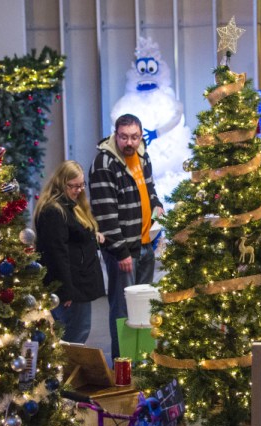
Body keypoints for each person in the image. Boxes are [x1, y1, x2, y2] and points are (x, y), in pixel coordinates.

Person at [89, 113, 164, 359]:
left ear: (141, 135)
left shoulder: (142, 155)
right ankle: (123, 364)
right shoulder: (104, 164)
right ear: (115, 135)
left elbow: (150, 189)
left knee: (145, 307)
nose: (129, 143)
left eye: (134, 137)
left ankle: (142, 357)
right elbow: (105, 213)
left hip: (146, 244)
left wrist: (158, 206)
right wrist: (120, 252)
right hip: (123, 251)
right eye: (123, 137)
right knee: (123, 309)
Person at [34, 160, 105, 344]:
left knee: (78, 334)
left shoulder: (71, 206)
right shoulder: (53, 211)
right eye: (74, 186)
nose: (79, 190)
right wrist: (64, 292)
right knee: (74, 338)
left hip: (78, 284)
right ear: (61, 183)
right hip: (71, 288)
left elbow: (74, 235)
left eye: (82, 185)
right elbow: (56, 254)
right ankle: (68, 373)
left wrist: (92, 236)